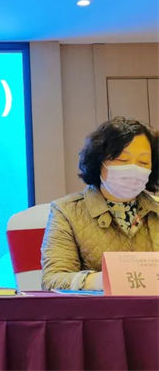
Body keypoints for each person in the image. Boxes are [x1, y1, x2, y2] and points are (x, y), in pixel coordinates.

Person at [41, 117, 159, 291]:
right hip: (98, 307)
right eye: (122, 160)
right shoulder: (67, 212)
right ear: (99, 162)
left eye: (143, 163)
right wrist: (102, 281)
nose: (134, 169)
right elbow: (52, 280)